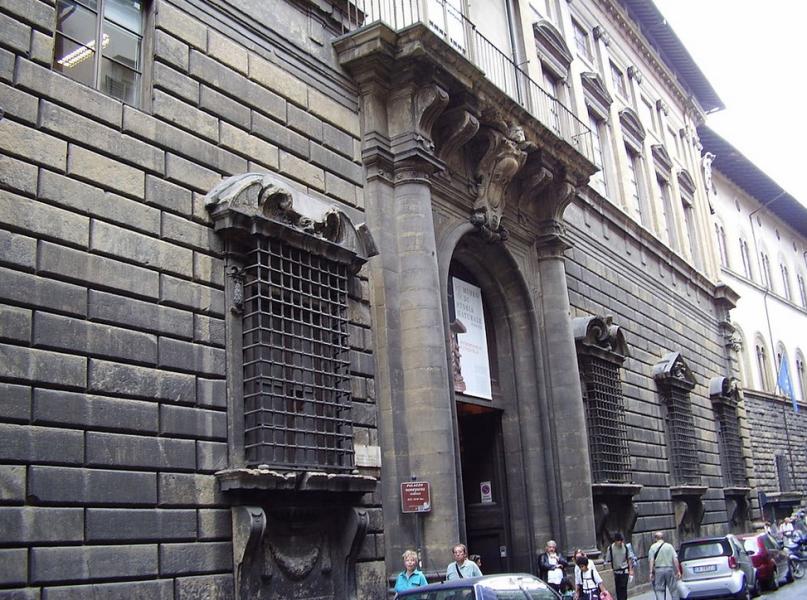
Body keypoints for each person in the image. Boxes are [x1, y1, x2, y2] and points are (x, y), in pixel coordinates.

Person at [648, 531, 680, 600]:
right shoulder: (669, 546)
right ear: (663, 538)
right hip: (669, 569)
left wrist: (651, 572)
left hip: (658, 570)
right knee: (673, 589)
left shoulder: (652, 547)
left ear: (655, 538)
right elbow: (675, 559)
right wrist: (678, 571)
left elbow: (651, 560)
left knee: (659, 590)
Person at [605, 532, 633, 600]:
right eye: (618, 541)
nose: (620, 542)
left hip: (624, 571)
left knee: (624, 589)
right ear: (615, 541)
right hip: (615, 572)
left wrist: (630, 570)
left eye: (621, 540)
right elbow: (608, 560)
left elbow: (629, 559)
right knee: (618, 590)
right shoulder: (611, 548)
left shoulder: (625, 547)